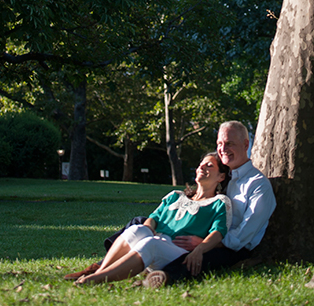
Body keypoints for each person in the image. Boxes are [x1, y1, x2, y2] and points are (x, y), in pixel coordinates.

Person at [67, 152, 232, 289]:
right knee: (136, 229)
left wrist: (200, 249)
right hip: (156, 240)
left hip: (176, 252)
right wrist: (148, 228)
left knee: (152, 244)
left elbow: (218, 233)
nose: (202, 167)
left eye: (209, 166)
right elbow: (154, 218)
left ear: (221, 176)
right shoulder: (175, 196)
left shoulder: (219, 203)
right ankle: (99, 271)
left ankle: (97, 279)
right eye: (201, 164)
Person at [160, 120, 276, 285]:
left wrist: (205, 244)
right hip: (205, 234)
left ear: (245, 145)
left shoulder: (258, 185)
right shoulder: (222, 175)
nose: (222, 149)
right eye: (220, 144)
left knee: (193, 259)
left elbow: (243, 234)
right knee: (144, 223)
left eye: (229, 143)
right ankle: (128, 257)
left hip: (231, 248)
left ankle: (163, 276)